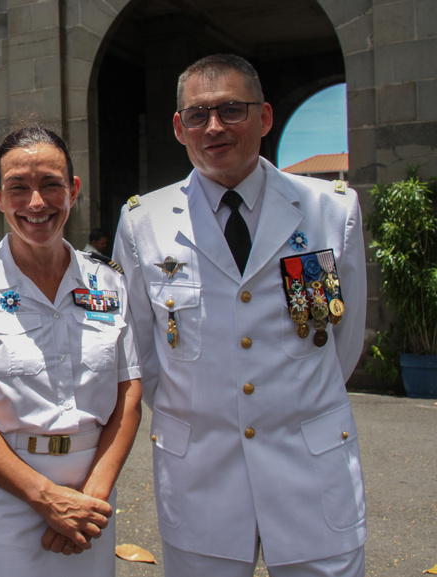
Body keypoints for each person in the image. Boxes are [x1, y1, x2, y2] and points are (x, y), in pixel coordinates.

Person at [113, 54, 367, 577]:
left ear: (265, 117)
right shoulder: (144, 222)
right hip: (201, 473)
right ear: (179, 127)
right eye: (198, 114)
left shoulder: (330, 210)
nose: (214, 127)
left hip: (310, 470)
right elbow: (140, 351)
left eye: (232, 110)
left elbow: (344, 340)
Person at [0, 126, 143, 577]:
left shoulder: (108, 281)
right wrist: (47, 500)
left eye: (51, 184)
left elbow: (128, 395)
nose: (36, 203)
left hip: (90, 501)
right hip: (0, 503)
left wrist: (91, 497)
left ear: (73, 189)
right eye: (18, 188)